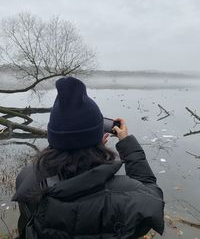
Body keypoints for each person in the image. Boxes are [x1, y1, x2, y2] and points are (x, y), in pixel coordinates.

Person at [12, 76, 164, 239]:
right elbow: (153, 198)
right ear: (100, 140)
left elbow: (26, 226)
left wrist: (82, 142)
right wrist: (127, 144)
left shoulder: (28, 179)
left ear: (54, 137)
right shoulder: (128, 196)